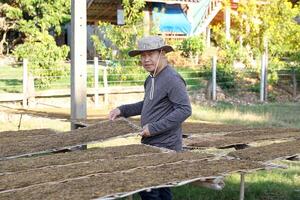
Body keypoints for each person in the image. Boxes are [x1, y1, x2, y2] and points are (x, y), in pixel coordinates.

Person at [109, 35, 192, 200]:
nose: (146, 59)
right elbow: (148, 104)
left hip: (165, 147)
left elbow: (184, 110)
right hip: (151, 144)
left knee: (147, 189)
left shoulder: (172, 79)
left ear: (162, 53)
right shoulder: (151, 79)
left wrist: (153, 128)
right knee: (161, 190)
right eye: (142, 55)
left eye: (150, 54)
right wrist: (122, 110)